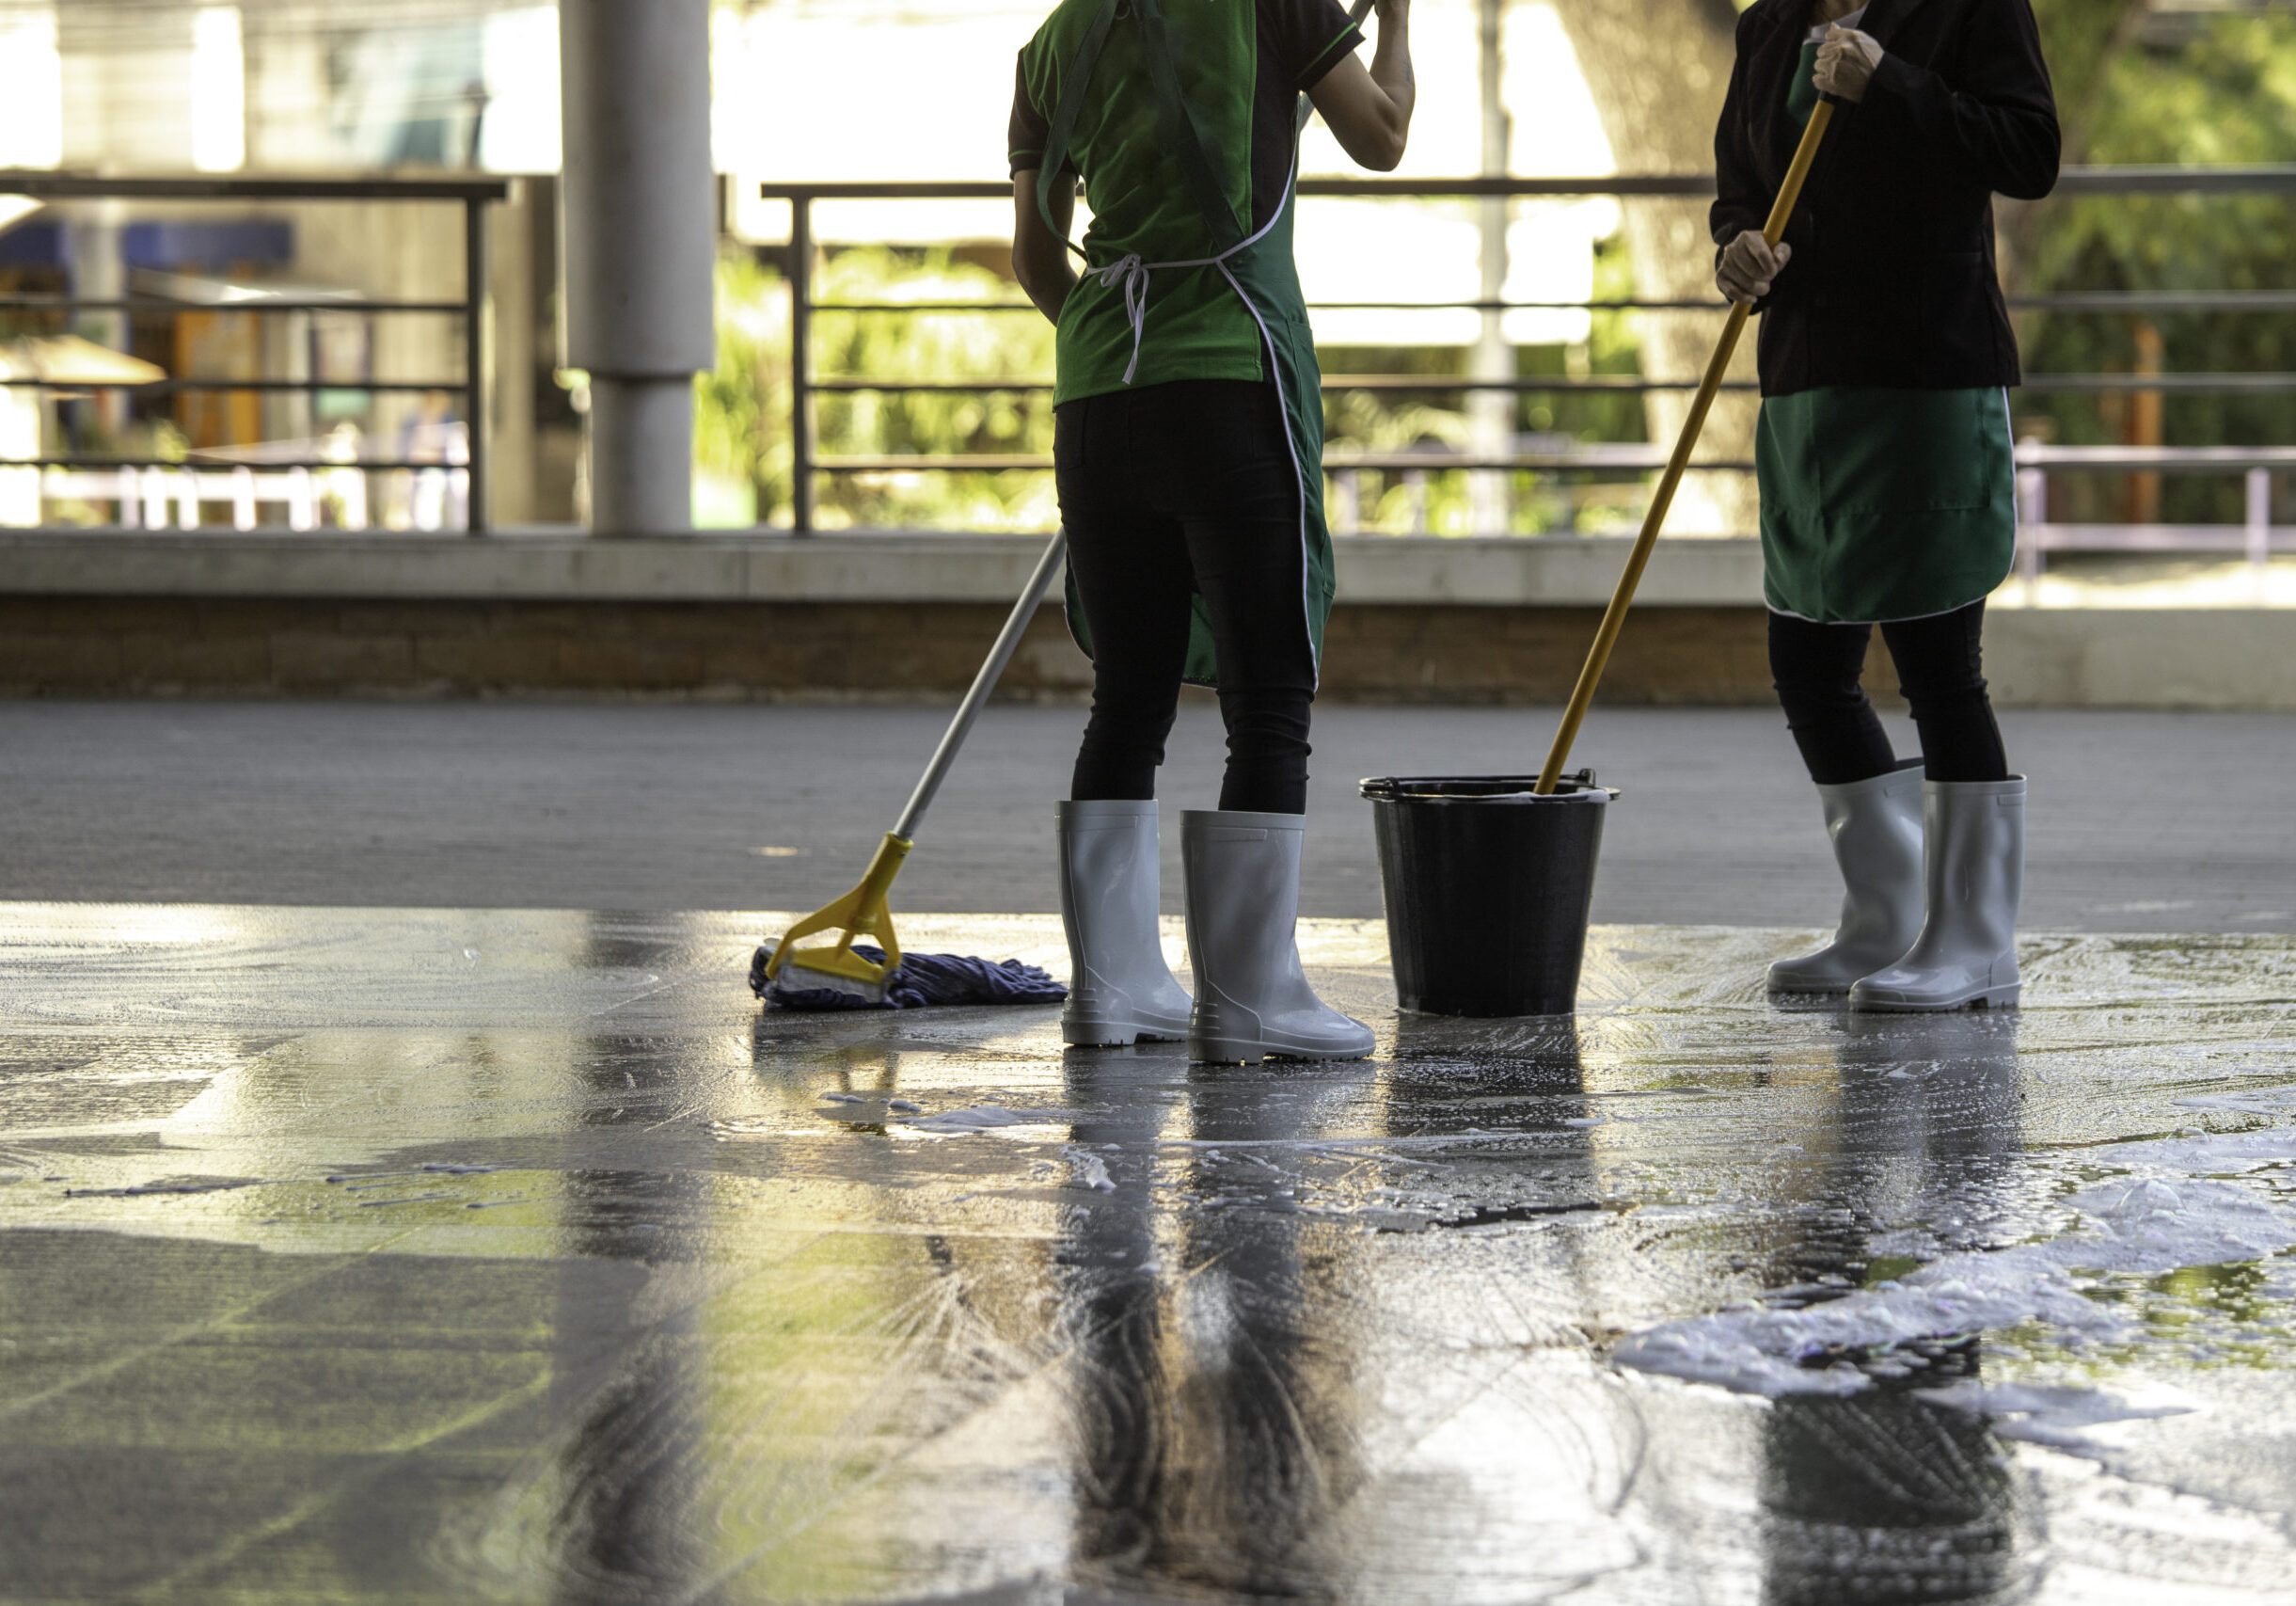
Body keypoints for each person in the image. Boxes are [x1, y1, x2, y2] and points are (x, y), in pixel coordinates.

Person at [1009, 0, 1415, 1061]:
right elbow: (1379, 138)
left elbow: (1036, 257)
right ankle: (1247, 1000)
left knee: (1128, 695)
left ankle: (1114, 992)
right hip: (1229, 380)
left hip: (1098, 391)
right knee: (1267, 695)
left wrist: (1126, 358)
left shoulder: (1053, 41)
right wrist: (1397, 25)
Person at [1712, 0, 2058, 1010]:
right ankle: (1886, 919)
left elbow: (2026, 150)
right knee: (1805, 660)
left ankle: (1972, 942)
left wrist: (1892, 84)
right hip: (1806, 382)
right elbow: (1740, 190)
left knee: (1937, 666)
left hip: (1924, 373)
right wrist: (1734, 244)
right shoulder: (1765, 24)